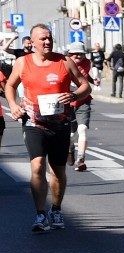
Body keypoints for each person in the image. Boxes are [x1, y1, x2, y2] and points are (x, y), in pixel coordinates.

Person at [3, 24, 91, 232]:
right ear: (32, 42)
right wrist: (14, 105)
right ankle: (40, 214)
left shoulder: (64, 61)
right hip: (34, 123)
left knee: (58, 170)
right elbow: (10, 85)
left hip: (60, 123)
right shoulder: (23, 62)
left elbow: (85, 85)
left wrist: (74, 95)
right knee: (37, 166)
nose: (47, 42)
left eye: (49, 38)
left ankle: (56, 208)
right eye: (42, 39)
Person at [66, 42, 100, 172]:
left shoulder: (87, 63)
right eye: (75, 54)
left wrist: (93, 81)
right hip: (68, 103)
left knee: (83, 129)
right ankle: (70, 149)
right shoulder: (65, 64)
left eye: (80, 54)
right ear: (70, 55)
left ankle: (81, 159)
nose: (78, 56)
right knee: (72, 134)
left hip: (83, 101)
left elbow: (85, 76)